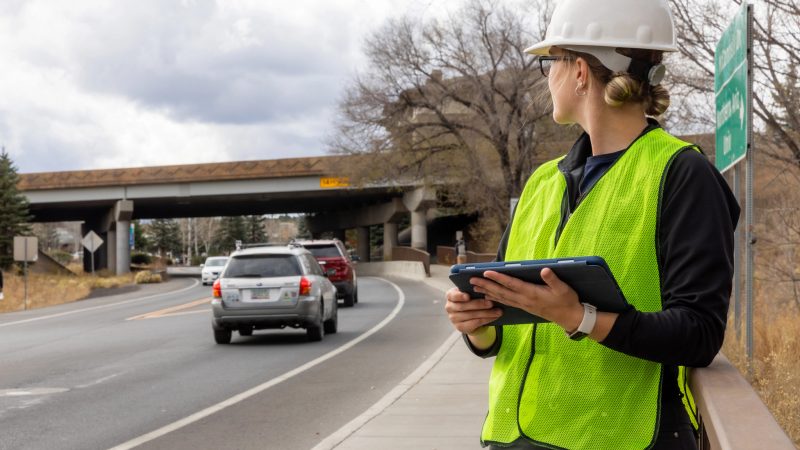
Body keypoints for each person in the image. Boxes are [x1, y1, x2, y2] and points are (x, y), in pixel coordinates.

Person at [444, 0, 740, 449]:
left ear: (580, 72)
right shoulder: (542, 183)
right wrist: (478, 325)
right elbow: (502, 336)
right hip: (512, 439)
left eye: (551, 62)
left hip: (621, 440)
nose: (547, 77)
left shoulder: (682, 174)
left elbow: (699, 333)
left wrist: (578, 318)